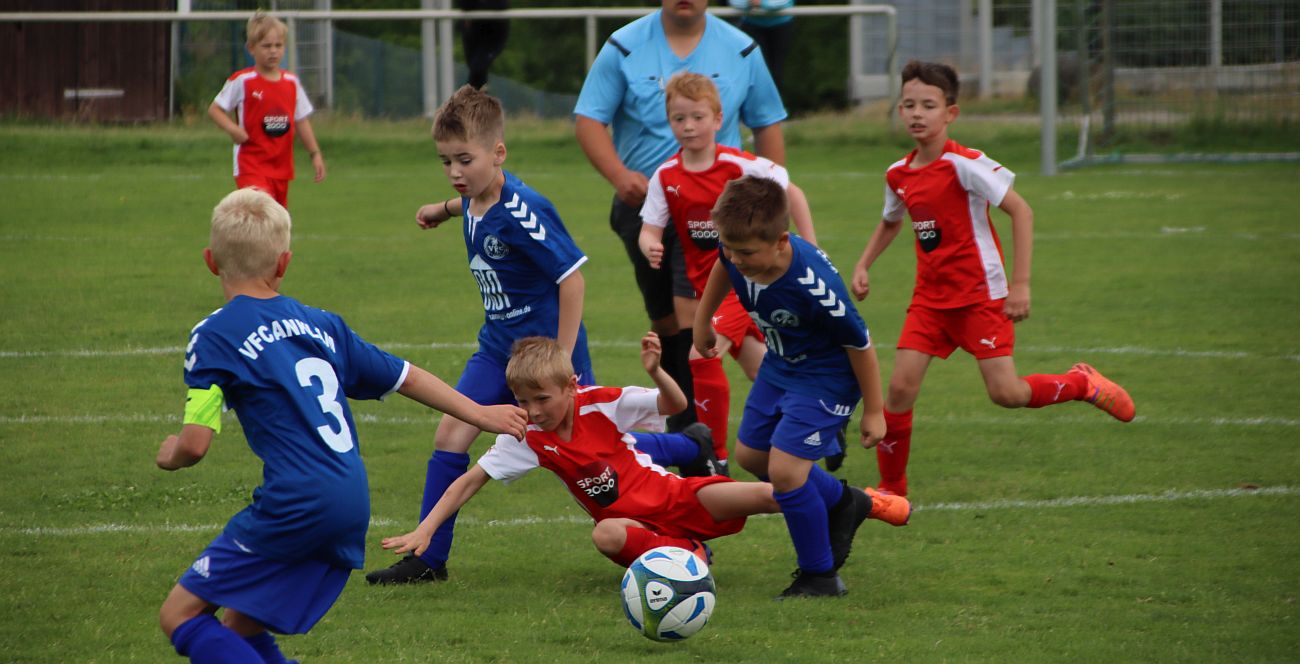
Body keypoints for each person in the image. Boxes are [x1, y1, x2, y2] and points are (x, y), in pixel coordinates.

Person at [156, 188, 527, 664]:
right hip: (350, 499)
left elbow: (195, 443)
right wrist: (480, 413)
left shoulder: (214, 334)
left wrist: (169, 453)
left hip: (296, 500)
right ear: (283, 263)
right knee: (241, 623)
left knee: (180, 616)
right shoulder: (322, 325)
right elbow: (407, 376)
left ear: (210, 261)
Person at [379, 335, 910, 589]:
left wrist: (657, 372)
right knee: (606, 534)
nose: (534, 410)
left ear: (571, 386)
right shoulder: (527, 437)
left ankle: (861, 501)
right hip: (636, 527)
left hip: (680, 496)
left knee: (779, 493)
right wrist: (424, 529)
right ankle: (687, 557)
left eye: (543, 398)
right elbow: (469, 481)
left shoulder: (602, 403)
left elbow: (676, 407)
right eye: (524, 400)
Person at [850, 61, 1136, 498]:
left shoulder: (964, 165)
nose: (917, 113)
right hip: (930, 299)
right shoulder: (898, 173)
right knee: (900, 386)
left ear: (951, 113)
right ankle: (892, 490)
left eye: (929, 104)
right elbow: (892, 221)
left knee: (1007, 393)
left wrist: (1020, 285)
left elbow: (1021, 210)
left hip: (981, 296)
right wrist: (864, 264)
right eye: (908, 104)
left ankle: (1082, 383)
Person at [364, 85, 597, 586]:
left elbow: (571, 278)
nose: (454, 172)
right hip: (497, 348)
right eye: (445, 161)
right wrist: (443, 208)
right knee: (451, 431)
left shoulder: (524, 210)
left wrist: (560, 356)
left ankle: (680, 474)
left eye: (464, 160)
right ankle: (429, 559)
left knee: (588, 458)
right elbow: (472, 201)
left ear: (498, 153)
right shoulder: (472, 200)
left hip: (547, 360)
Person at [574, 0, 788, 434]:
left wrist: (771, 209)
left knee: (712, 318)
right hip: (646, 210)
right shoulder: (624, 45)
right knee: (669, 319)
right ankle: (698, 427)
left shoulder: (742, 48)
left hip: (720, 214)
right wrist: (619, 176)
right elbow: (589, 118)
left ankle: (697, 434)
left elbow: (767, 122)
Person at [694, 176, 900, 598]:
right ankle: (846, 503)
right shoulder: (738, 248)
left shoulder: (813, 285)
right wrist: (703, 321)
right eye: (731, 246)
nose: (737, 258)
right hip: (780, 365)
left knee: (786, 474)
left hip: (827, 376)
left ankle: (819, 576)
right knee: (752, 456)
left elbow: (860, 344)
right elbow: (722, 263)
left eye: (746, 252)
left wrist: (875, 411)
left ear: (782, 241)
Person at [636, 72, 817, 470]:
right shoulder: (666, 175)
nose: (688, 126)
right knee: (760, 364)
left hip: (747, 283)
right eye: (679, 118)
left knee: (703, 355)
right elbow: (649, 226)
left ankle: (714, 455)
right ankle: (813, 417)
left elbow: (792, 190)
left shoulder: (737, 165)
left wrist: (811, 247)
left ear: (718, 119)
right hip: (707, 288)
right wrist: (650, 243)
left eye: (697, 117)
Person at [208, 11, 325, 209]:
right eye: (267, 46)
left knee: (273, 229)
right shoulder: (243, 81)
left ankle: (222, 242)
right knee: (260, 219)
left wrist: (315, 153)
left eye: (278, 46)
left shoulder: (291, 83)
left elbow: (301, 120)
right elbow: (215, 109)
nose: (273, 51)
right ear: (251, 48)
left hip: (281, 168)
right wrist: (233, 129)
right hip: (251, 165)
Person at [729, 0, 794, 97]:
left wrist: (762, 3)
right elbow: (735, 2)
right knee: (754, 73)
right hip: (751, 24)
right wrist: (749, 2)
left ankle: (774, 108)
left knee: (776, 72)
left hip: (781, 23)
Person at [458, 0, 510, 89]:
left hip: (493, 34)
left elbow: (500, 6)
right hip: (474, 32)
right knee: (475, 69)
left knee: (477, 67)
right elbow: (465, 5)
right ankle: (476, 97)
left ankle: (471, 97)